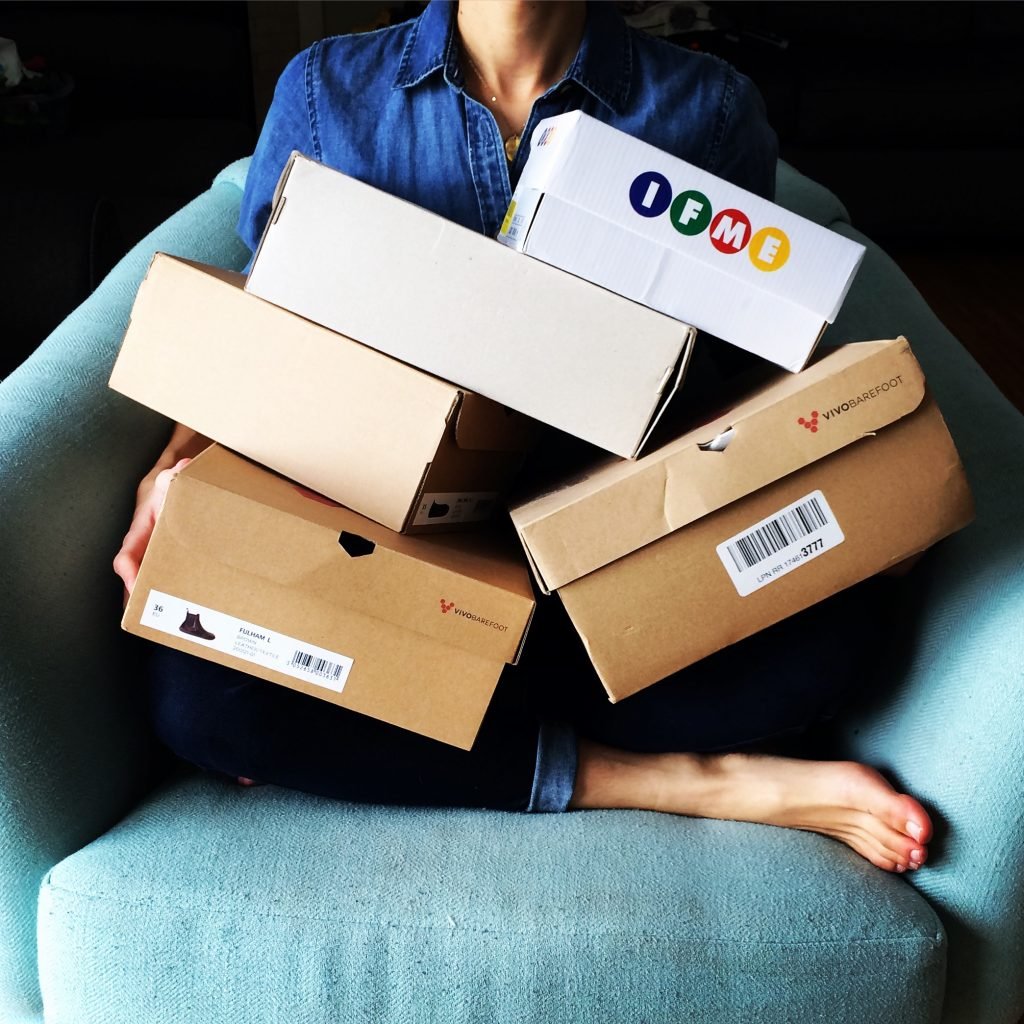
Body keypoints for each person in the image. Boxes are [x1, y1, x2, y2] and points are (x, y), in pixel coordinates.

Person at [113, 0, 931, 875]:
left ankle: (426, 725)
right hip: (390, 568)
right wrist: (172, 472)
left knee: (840, 634)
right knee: (201, 693)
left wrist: (847, 496)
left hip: (600, 573)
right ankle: (671, 781)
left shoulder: (709, 107)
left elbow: (738, 385)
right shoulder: (327, 90)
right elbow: (260, 319)